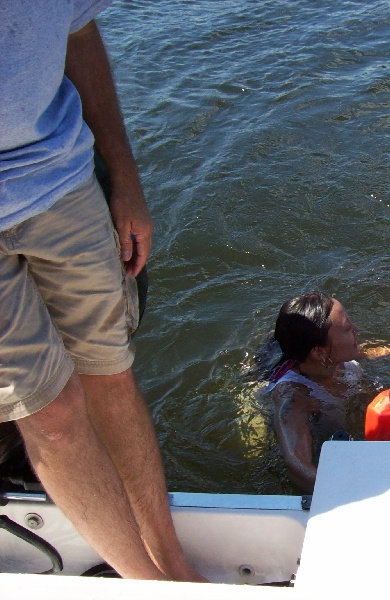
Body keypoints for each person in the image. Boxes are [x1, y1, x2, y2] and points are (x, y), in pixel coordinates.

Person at [1, 2, 202, 581]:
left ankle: (174, 567)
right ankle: (146, 585)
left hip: (62, 179)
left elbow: (79, 31)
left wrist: (126, 179)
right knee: (52, 412)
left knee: (110, 373)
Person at [261, 292, 362, 493]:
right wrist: (353, 493)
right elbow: (296, 467)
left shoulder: (339, 356)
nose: (356, 330)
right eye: (347, 328)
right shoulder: (295, 397)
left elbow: (377, 351)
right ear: (319, 352)